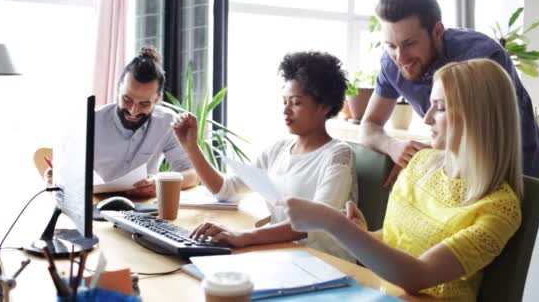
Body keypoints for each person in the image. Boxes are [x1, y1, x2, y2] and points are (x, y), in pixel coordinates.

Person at [285, 59, 523, 301]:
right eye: (430, 106)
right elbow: (394, 241)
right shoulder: (420, 163)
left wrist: (334, 222)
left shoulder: (499, 208)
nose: (427, 118)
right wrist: (361, 234)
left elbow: (417, 276)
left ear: (478, 116)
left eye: (440, 107)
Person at [172, 51, 357, 261]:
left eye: (296, 103)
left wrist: (244, 236)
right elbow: (226, 191)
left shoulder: (338, 155)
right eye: (284, 101)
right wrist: (191, 147)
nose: (286, 111)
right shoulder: (277, 150)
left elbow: (317, 221)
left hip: (323, 263)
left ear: (324, 106)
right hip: (281, 254)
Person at [360, 0, 539, 179]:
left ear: (438, 31)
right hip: (451, 161)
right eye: (391, 46)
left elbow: (485, 139)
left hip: (511, 162)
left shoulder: (483, 58)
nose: (401, 58)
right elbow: (369, 127)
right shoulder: (392, 64)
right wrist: (396, 149)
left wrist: (424, 159)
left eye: (409, 44)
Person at [93, 46, 198, 197]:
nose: (133, 111)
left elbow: (192, 174)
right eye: (127, 99)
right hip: (98, 205)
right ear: (118, 89)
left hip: (143, 208)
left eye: (144, 104)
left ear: (158, 99)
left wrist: (160, 183)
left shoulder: (167, 122)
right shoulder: (92, 121)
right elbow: (67, 173)